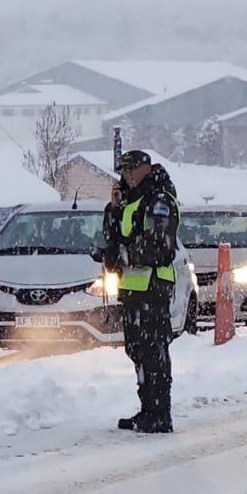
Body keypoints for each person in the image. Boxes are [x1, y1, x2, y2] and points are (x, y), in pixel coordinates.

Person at [97, 150, 180, 433]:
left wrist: (125, 255)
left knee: (154, 352)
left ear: (146, 168)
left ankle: (160, 413)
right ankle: (147, 409)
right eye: (124, 170)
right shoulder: (131, 202)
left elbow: (159, 245)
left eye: (131, 169)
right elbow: (114, 236)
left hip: (153, 287)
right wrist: (114, 208)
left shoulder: (159, 200)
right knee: (137, 350)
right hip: (132, 290)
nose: (126, 175)